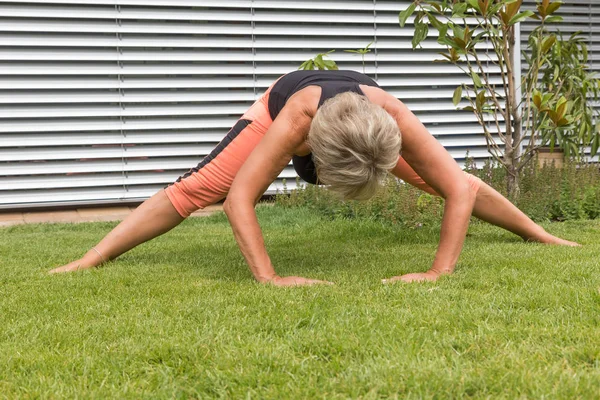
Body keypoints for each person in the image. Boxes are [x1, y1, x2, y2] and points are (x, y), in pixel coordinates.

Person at [49, 70, 579, 284]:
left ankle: (539, 232)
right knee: (201, 187)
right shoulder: (295, 119)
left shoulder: (391, 116)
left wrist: (439, 272)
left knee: (445, 179)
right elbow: (239, 200)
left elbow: (459, 189)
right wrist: (271, 279)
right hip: (284, 108)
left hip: (357, 131)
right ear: (315, 160)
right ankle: (90, 257)